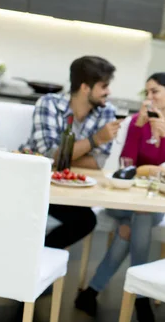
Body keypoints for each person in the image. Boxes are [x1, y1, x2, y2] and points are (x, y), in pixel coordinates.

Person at [75, 72, 165, 322]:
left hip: (154, 202)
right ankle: (141, 297)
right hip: (125, 199)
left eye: (155, 91)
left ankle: (91, 293)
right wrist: (137, 129)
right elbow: (126, 165)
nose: (150, 97)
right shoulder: (138, 121)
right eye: (146, 92)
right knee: (140, 219)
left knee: (130, 229)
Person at [22, 55, 120, 250]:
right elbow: (49, 154)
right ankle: (34, 259)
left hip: (74, 188)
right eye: (103, 86)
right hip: (36, 184)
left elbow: (97, 163)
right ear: (85, 87)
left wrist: (62, 157)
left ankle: (38, 256)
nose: (108, 92)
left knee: (85, 220)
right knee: (82, 220)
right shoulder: (48, 104)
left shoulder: (106, 111)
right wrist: (96, 140)